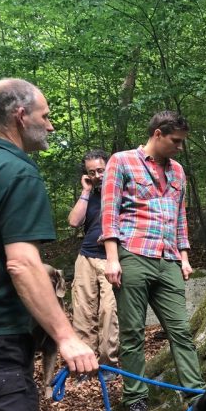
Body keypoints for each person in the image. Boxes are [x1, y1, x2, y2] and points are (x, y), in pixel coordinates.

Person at [0, 78, 98, 411]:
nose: (51, 125)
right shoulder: (14, 170)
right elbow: (22, 263)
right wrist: (66, 337)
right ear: (19, 115)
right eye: (47, 115)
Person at [102, 111, 206, 411]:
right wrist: (112, 259)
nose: (179, 147)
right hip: (132, 255)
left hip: (169, 260)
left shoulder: (178, 171)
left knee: (181, 331)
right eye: (175, 141)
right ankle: (135, 402)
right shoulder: (121, 162)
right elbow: (109, 212)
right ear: (158, 134)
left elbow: (180, 218)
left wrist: (185, 257)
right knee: (132, 334)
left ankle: (197, 399)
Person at [67, 149, 119, 381]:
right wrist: (86, 191)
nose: (98, 175)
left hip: (111, 258)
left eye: (101, 169)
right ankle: (85, 366)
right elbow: (74, 221)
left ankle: (108, 365)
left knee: (109, 311)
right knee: (83, 312)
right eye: (92, 172)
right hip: (86, 257)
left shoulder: (121, 190)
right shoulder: (89, 194)